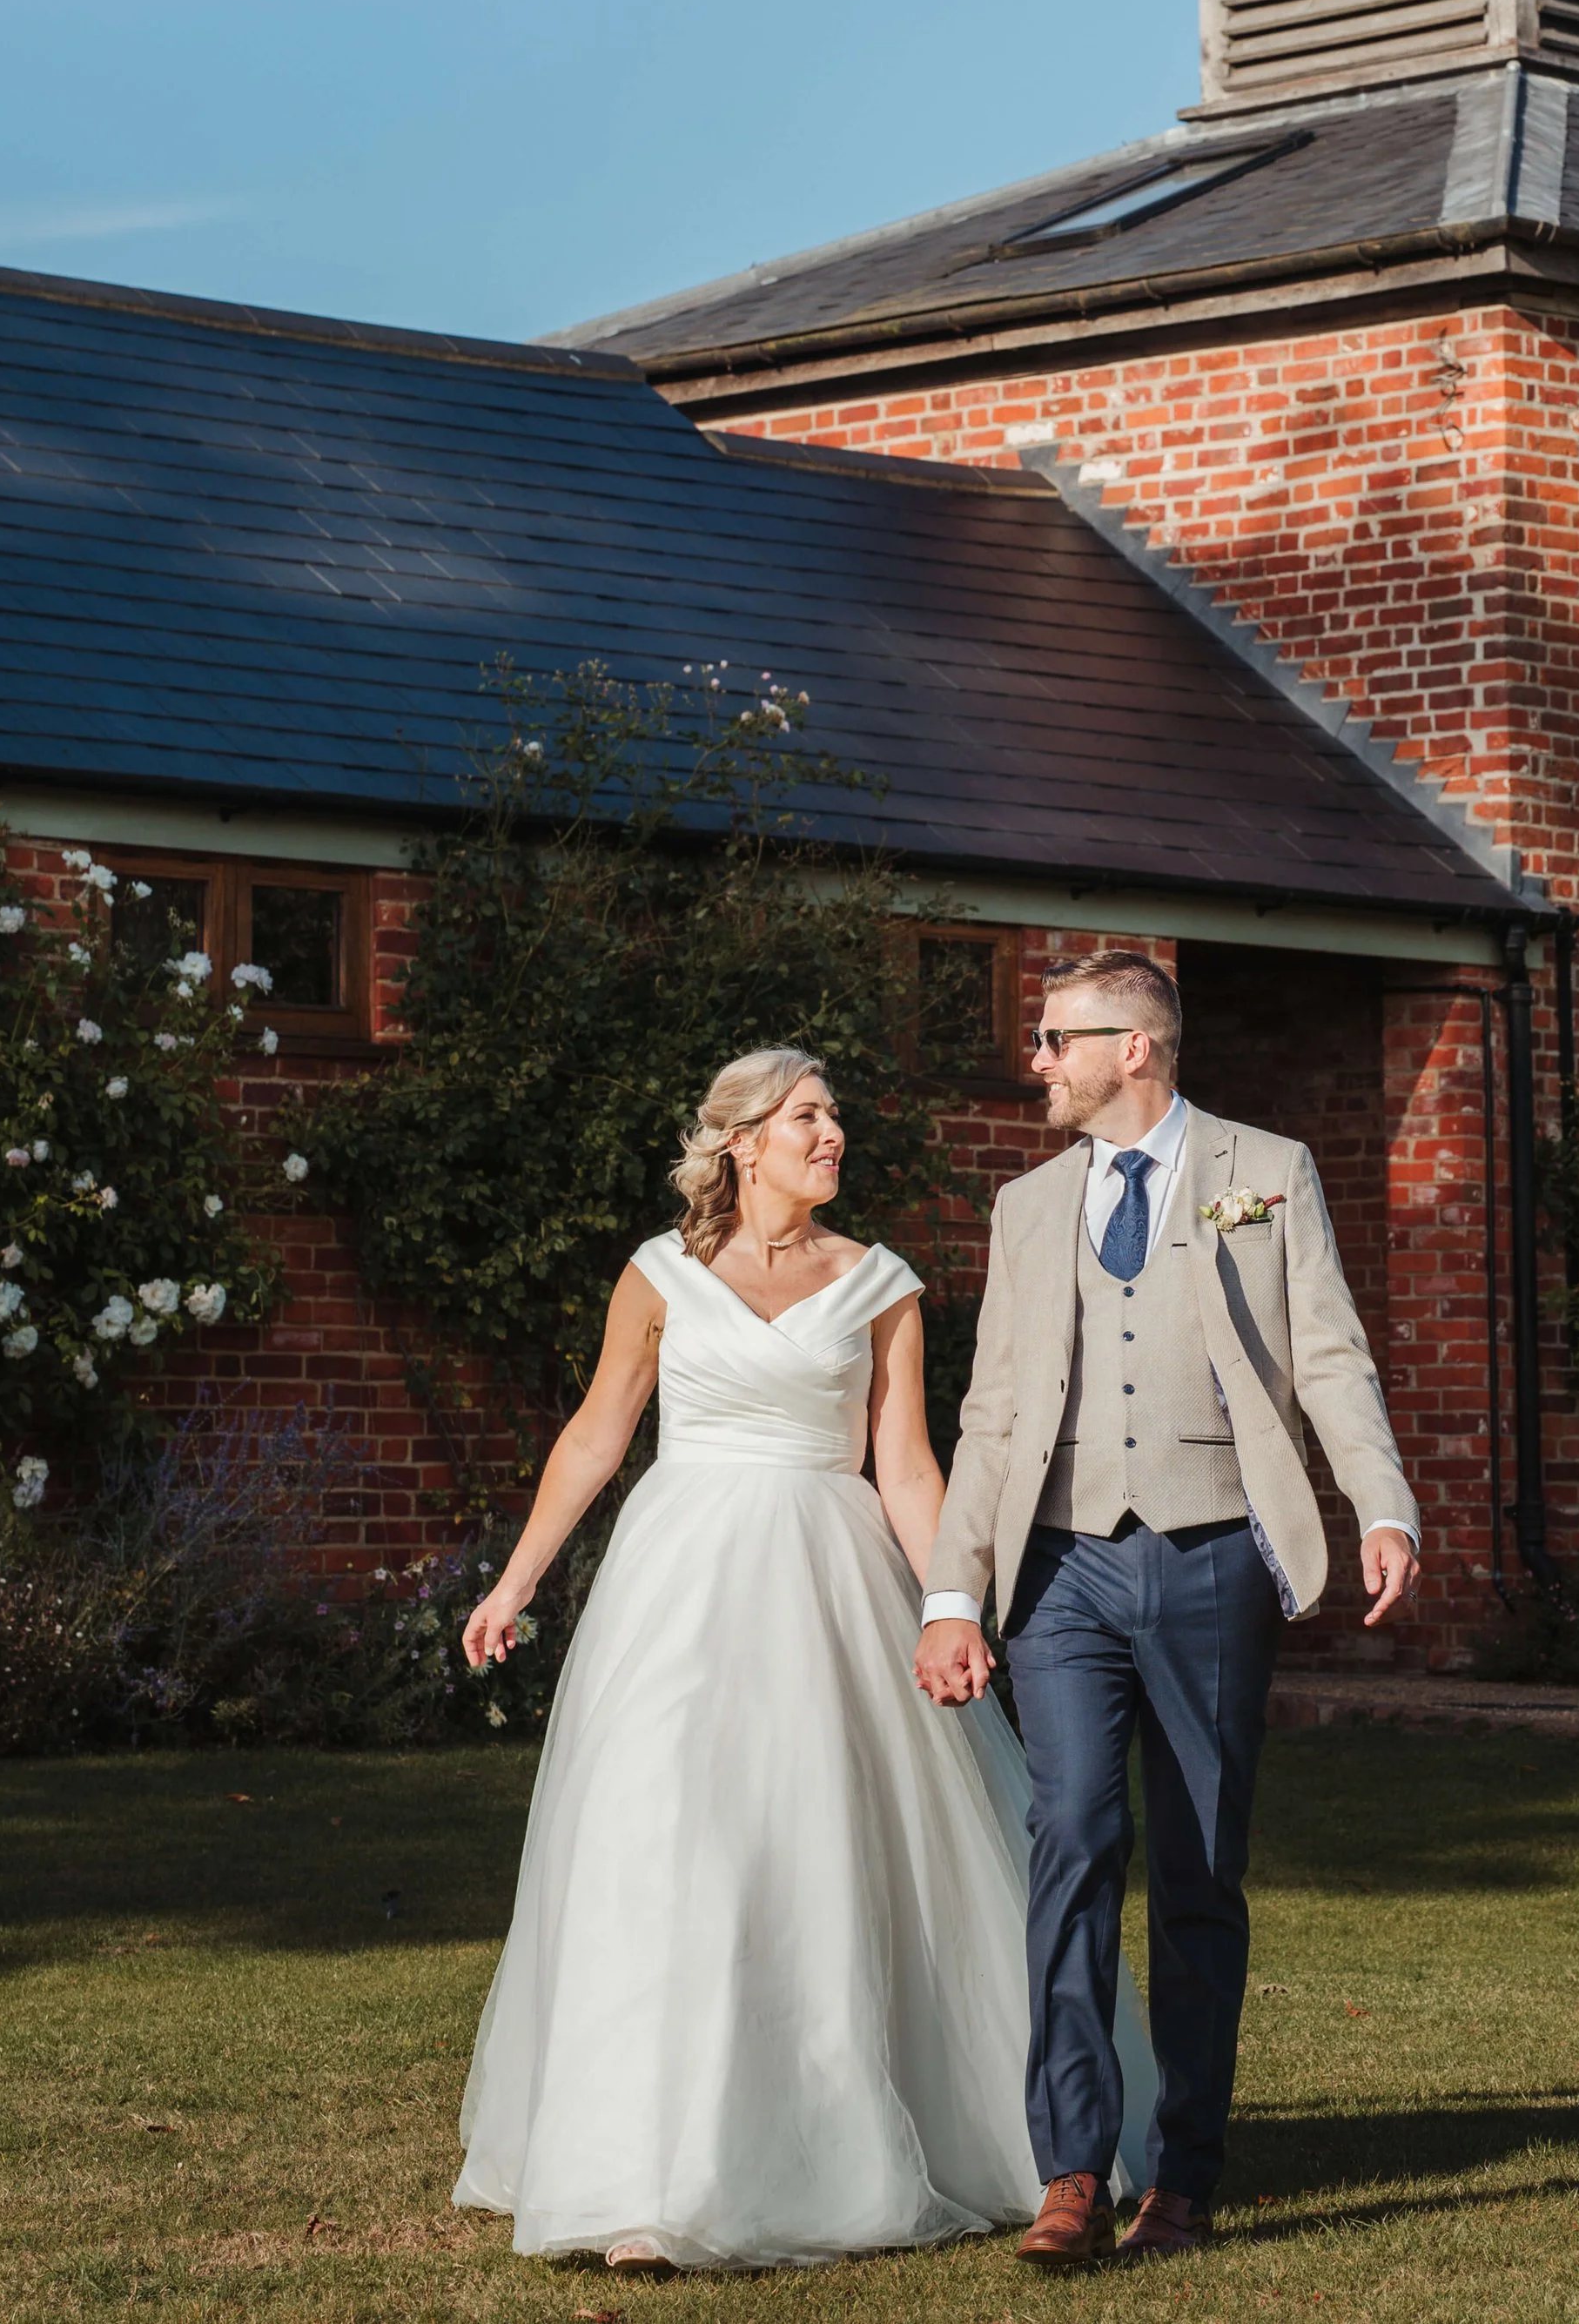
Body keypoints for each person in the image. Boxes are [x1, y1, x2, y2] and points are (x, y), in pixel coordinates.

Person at [453, 1044, 1148, 2269]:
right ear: (742, 1140)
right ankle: (643, 2182)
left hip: (833, 1588)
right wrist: (516, 1581)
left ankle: (853, 2132)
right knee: (664, 1844)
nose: (832, 1134)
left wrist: (954, 1604)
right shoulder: (659, 1274)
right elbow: (596, 1432)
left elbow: (909, 1465)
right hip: (680, 1586)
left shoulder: (880, 1282)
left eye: (832, 1115)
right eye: (806, 1116)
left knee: (818, 1850)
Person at [914, 950, 1421, 2267]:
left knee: (1199, 1868)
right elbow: (990, 1410)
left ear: (1133, 1045)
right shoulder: (1027, 1205)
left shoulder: (1267, 1168)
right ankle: (1073, 2168)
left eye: (1054, 1036)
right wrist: (955, 1589)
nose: (1038, 1058)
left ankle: (1184, 2177)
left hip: (1211, 1560)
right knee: (1072, 1836)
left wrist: (1382, 1504)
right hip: (1064, 1569)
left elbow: (1328, 1353)